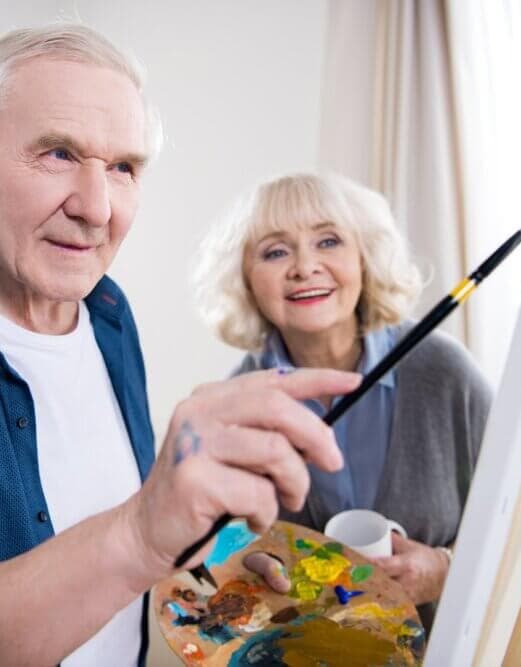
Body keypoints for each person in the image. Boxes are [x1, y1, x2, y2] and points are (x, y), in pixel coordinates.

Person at [0, 25, 360, 666]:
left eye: (123, 167)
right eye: (59, 153)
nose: (97, 209)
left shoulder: (109, 313)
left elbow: (117, 514)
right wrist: (141, 535)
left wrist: (213, 559)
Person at [192, 172, 492, 628]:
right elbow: (203, 553)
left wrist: (447, 570)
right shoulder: (234, 408)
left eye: (328, 242)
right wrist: (239, 564)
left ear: (365, 258)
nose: (304, 267)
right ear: (246, 282)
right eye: (275, 251)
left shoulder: (446, 374)